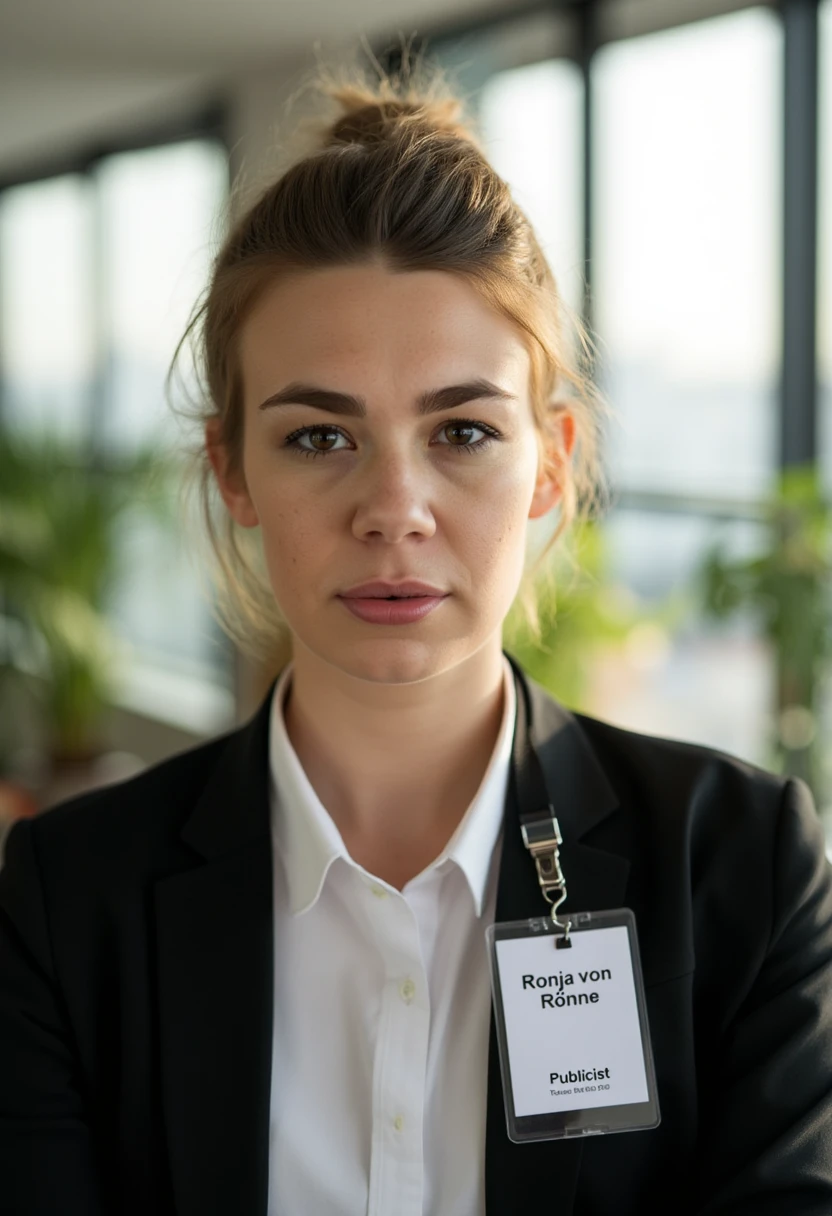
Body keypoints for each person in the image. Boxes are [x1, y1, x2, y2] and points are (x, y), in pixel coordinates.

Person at [1, 48, 832, 1216]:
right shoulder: (67, 897)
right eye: (319, 438)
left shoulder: (737, 868)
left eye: (463, 432)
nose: (394, 508)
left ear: (553, 462)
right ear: (232, 469)